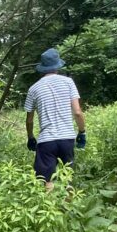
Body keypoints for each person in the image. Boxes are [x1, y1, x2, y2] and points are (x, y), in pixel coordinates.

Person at [24, 48, 86, 184]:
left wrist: (30, 137)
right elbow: (77, 112)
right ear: (58, 65)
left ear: (42, 68)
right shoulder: (69, 82)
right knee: (67, 178)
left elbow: (29, 120)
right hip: (67, 139)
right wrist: (82, 132)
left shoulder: (33, 89)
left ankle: (50, 205)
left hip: (46, 141)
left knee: (46, 180)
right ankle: (68, 204)